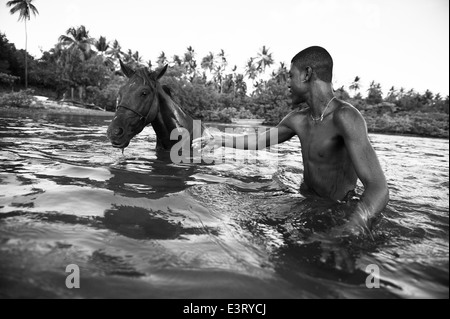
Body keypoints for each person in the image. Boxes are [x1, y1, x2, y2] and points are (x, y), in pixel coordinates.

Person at [194, 46, 389, 236]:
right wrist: (220, 138)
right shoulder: (297, 119)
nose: (287, 83)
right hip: (306, 204)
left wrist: (348, 231)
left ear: (306, 74)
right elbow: (259, 140)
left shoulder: (345, 117)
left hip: (337, 211)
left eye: (290, 75)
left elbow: (378, 188)